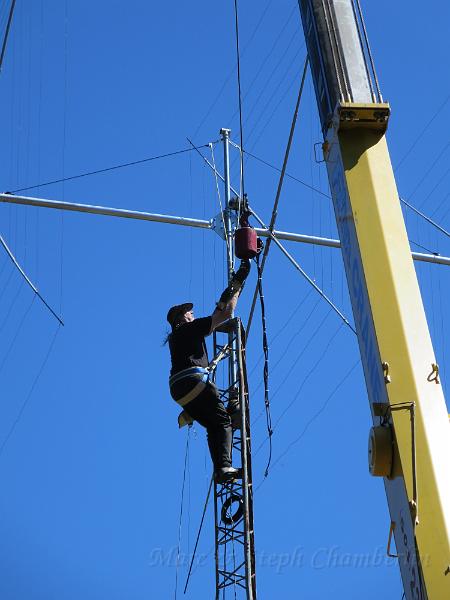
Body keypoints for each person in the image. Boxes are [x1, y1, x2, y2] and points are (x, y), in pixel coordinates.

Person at [167, 260, 250, 483]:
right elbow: (225, 315)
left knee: (215, 423)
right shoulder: (189, 329)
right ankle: (224, 463)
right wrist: (238, 286)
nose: (192, 314)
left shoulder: (177, 338)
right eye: (189, 313)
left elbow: (217, 317)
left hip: (179, 390)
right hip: (194, 382)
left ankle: (222, 468)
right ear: (181, 318)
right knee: (222, 422)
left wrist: (226, 297)